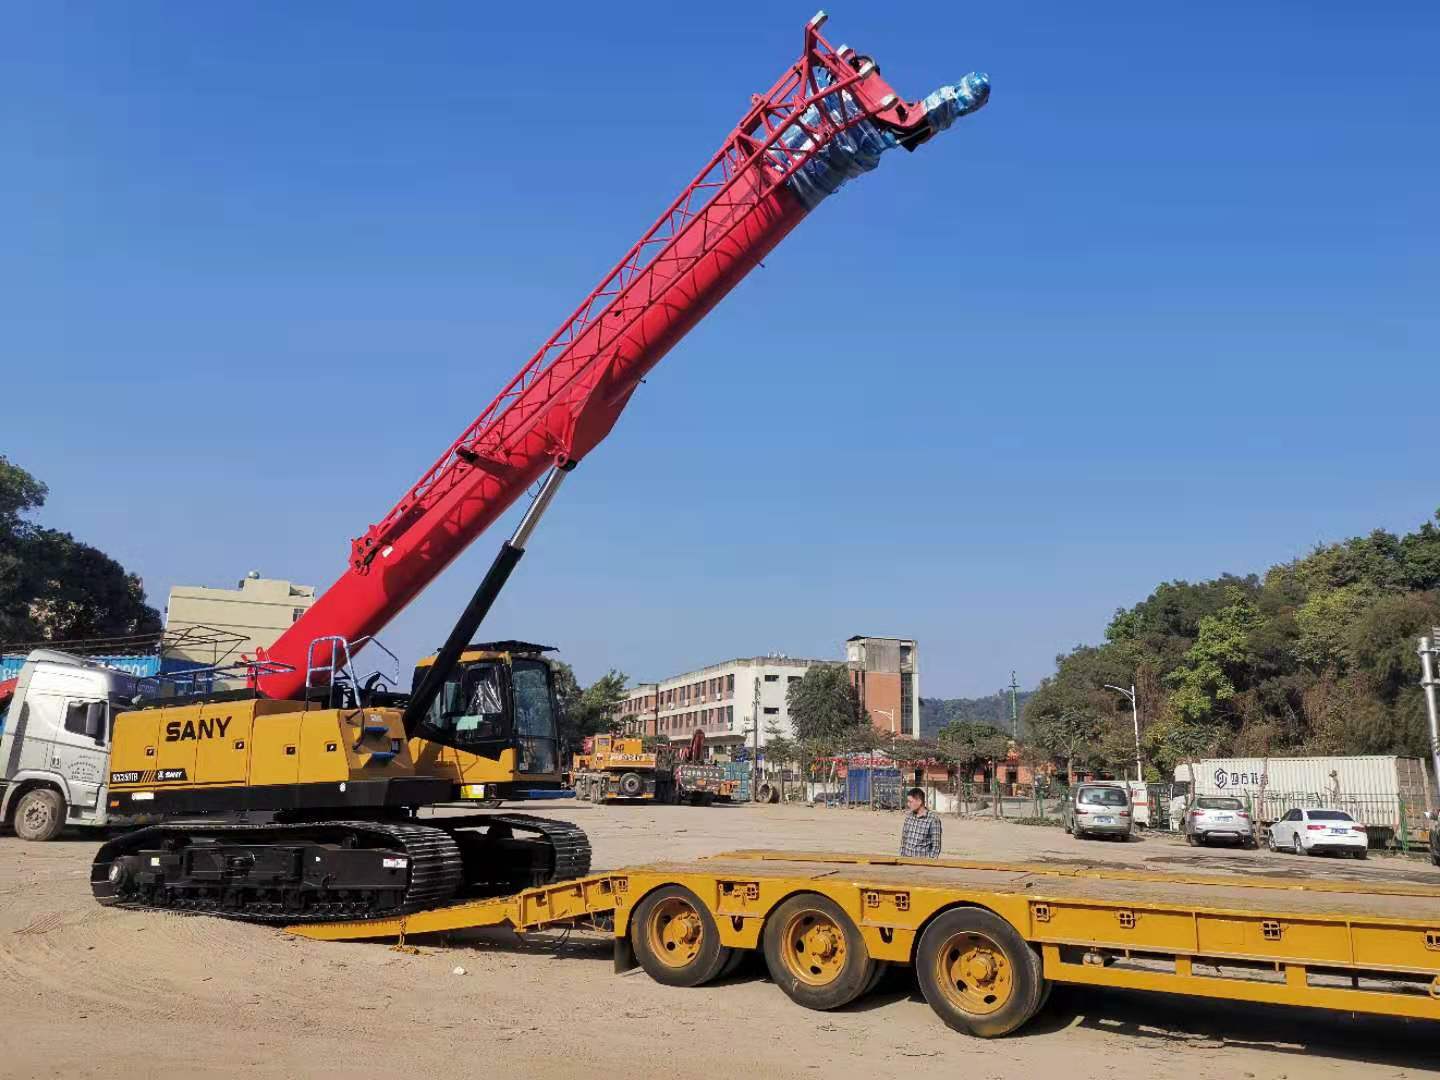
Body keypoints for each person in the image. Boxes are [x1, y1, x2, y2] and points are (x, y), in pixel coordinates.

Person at [900, 787, 942, 858]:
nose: (908, 804)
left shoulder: (933, 819)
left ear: (919, 801)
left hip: (922, 865)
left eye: (910, 802)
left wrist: (928, 864)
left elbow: (936, 847)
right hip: (905, 862)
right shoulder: (909, 817)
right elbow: (904, 841)